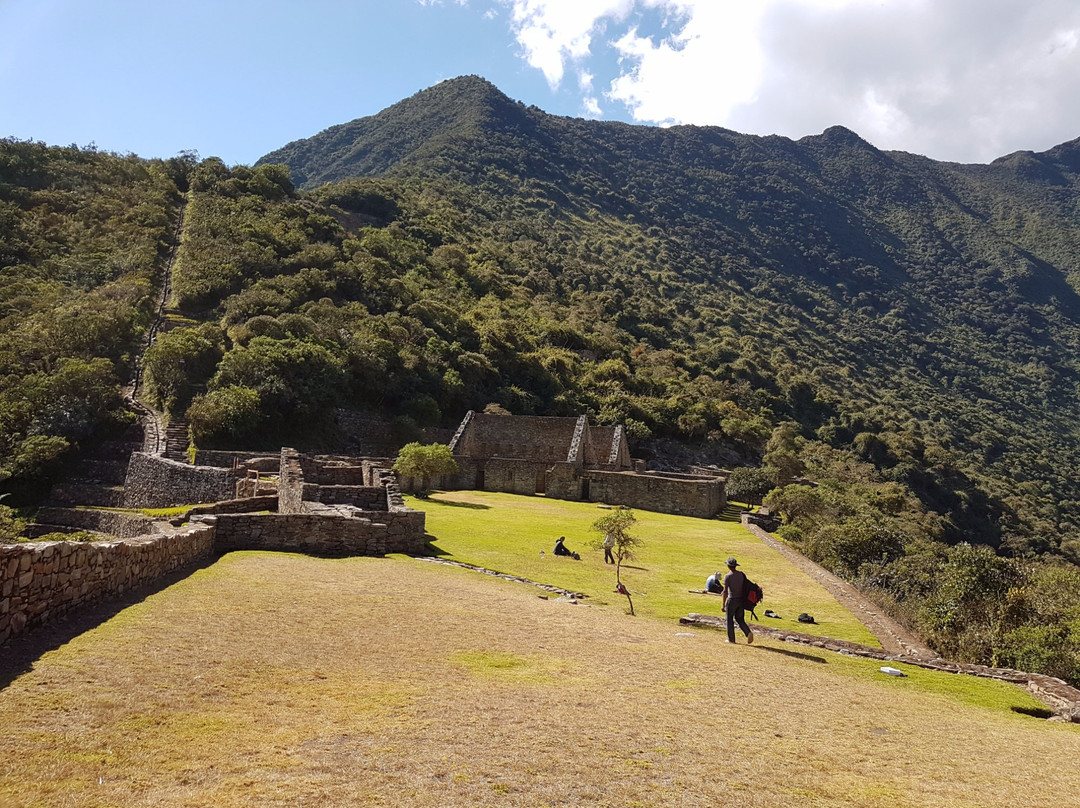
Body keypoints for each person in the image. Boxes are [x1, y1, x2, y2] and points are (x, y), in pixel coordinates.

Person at [720, 557, 754, 645]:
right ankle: (748, 632)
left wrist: (723, 604)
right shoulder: (741, 574)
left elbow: (725, 591)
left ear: (728, 566)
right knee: (740, 619)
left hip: (732, 600)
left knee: (729, 619)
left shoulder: (728, 576)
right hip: (741, 600)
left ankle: (731, 639)